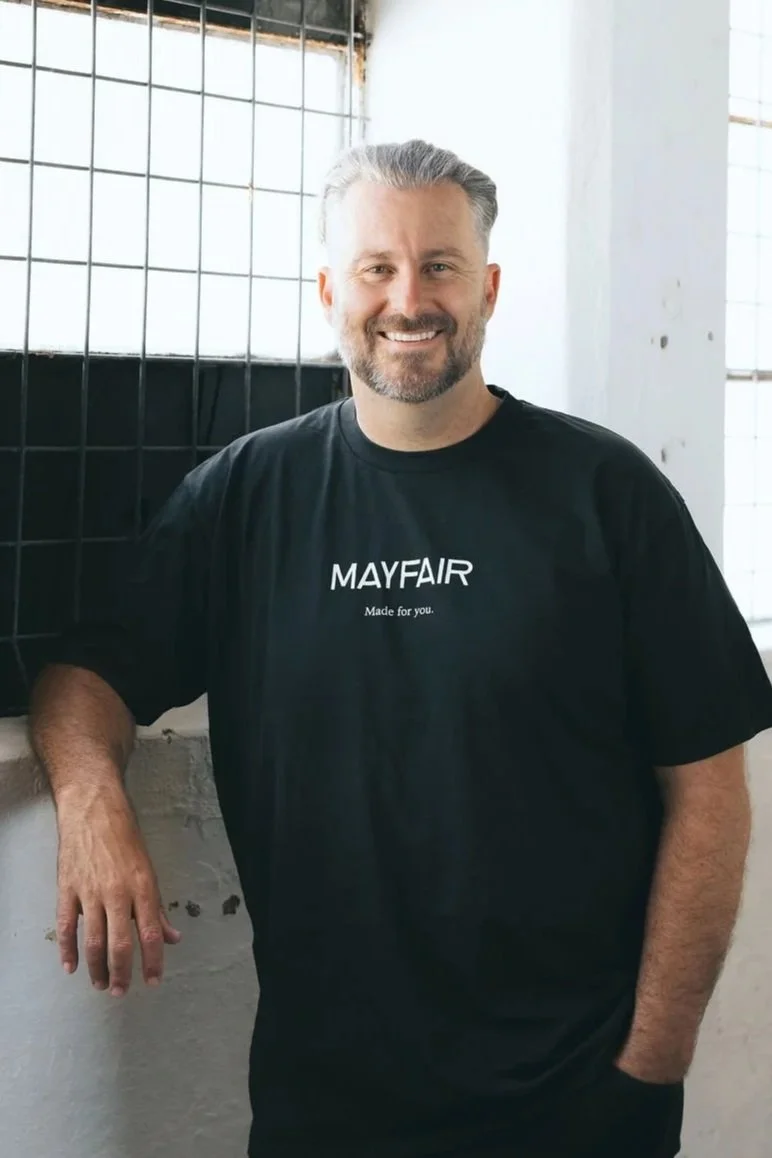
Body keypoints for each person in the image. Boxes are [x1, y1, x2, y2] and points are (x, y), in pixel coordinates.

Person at [30, 138, 772, 1158]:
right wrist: (87, 798)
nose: (407, 298)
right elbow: (88, 677)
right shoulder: (246, 497)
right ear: (331, 286)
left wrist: (653, 1056)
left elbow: (709, 790)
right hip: (325, 1106)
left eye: (440, 266)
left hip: (575, 1101)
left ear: (489, 287)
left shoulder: (604, 495)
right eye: (377, 268)